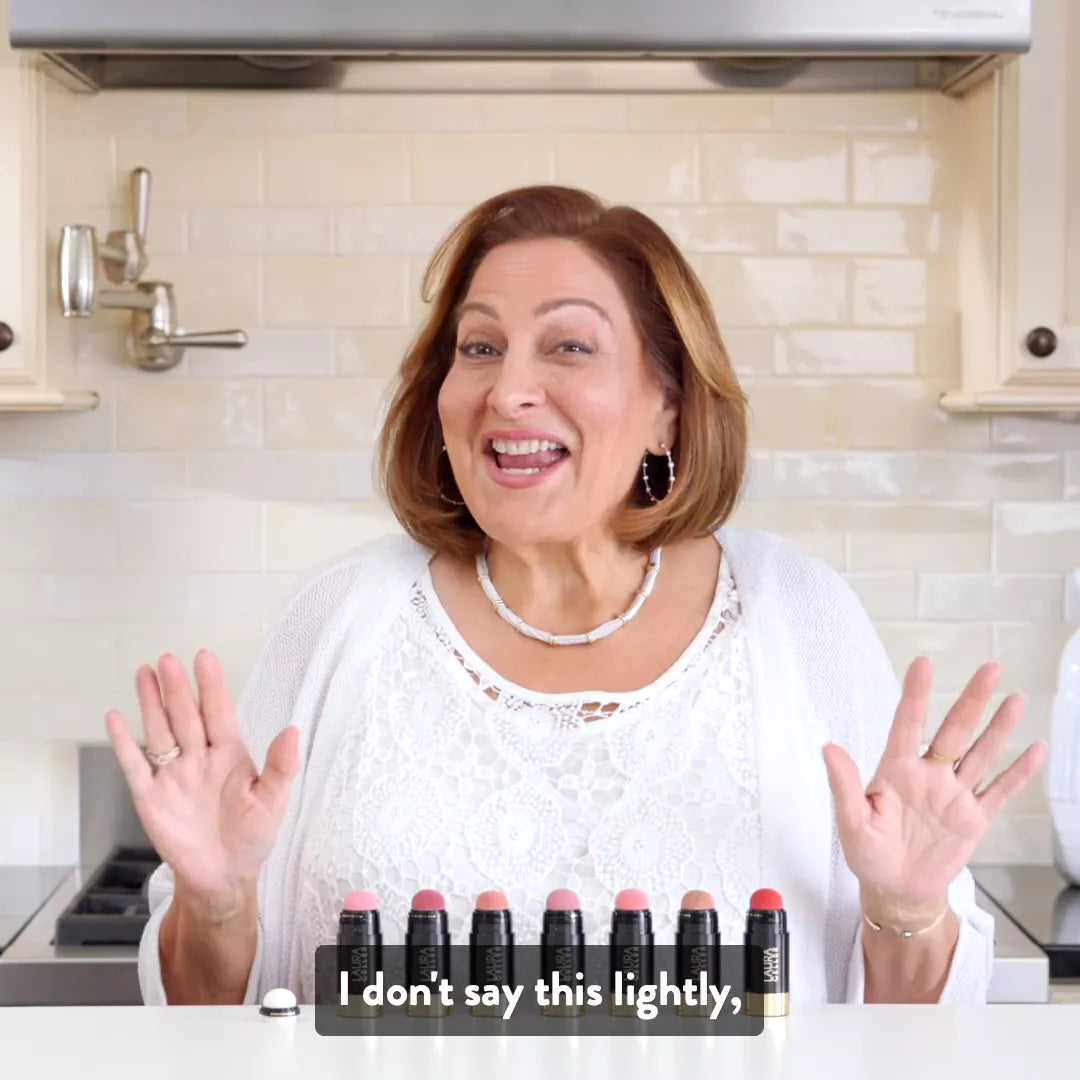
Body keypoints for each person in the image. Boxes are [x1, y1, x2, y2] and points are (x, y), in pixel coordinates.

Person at [106, 185, 1046, 1008]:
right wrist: (218, 904)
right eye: (479, 347)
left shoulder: (796, 615)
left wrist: (908, 910)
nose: (510, 389)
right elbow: (205, 1017)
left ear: (667, 403)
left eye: (568, 346)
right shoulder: (344, 618)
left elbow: (910, 1031)